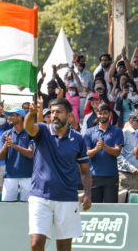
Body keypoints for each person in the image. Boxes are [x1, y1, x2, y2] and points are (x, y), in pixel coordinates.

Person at [24, 98, 92, 251]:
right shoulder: (42, 130)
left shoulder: (78, 139)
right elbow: (28, 127)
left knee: (63, 247)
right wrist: (31, 114)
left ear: (69, 115)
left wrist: (87, 194)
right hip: (40, 196)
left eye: (59, 112)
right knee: (35, 243)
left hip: (67, 197)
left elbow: (85, 171)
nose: (54, 115)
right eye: (52, 112)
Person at [84, 103, 124, 203]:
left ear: (110, 114)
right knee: (94, 208)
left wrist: (104, 146)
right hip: (94, 176)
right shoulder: (89, 132)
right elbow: (87, 154)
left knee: (112, 208)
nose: (102, 115)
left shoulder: (117, 131)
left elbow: (117, 152)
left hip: (111, 176)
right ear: (97, 114)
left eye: (105, 113)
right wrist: (97, 148)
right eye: (100, 113)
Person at [0, 108, 34, 202]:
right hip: (10, 176)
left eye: (12, 115)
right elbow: (0, 157)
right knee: (9, 207)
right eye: (9, 115)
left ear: (20, 117)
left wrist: (14, 146)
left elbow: (30, 154)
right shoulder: (6, 134)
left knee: (28, 207)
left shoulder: (30, 133)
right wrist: (6, 146)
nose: (9, 117)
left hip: (28, 176)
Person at [117, 111, 138, 191]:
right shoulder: (123, 133)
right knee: (125, 202)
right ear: (131, 121)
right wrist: (131, 168)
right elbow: (118, 155)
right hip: (126, 175)